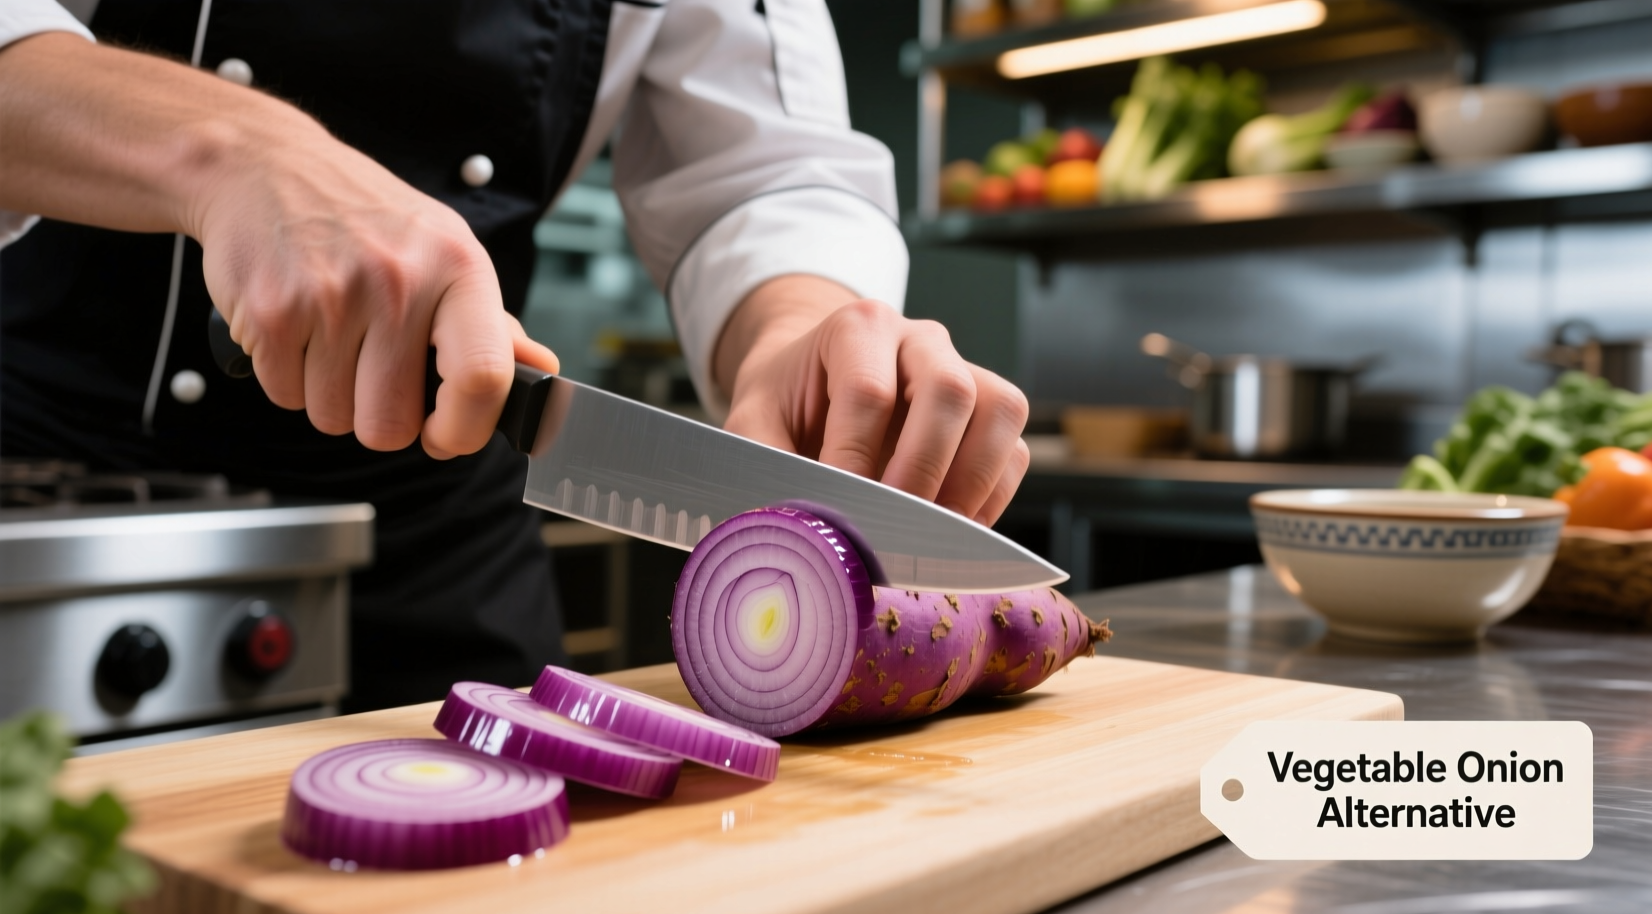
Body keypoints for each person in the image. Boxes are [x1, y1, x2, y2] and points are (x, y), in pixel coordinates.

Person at [0, 0, 1030, 709]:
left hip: (444, 541)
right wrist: (227, 153)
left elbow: (761, 171)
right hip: (47, 515)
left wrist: (800, 327)